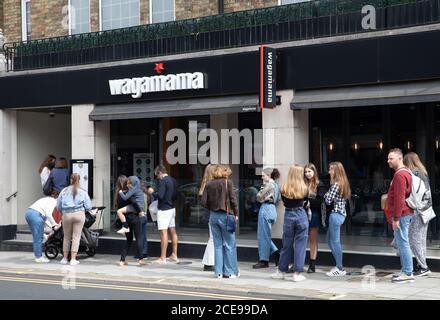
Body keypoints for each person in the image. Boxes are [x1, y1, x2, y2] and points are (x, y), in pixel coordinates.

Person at [271, 165, 309, 282]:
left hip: (288, 215)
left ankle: (281, 271)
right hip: (301, 215)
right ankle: (297, 274)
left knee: (286, 244)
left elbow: (284, 202)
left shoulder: (284, 187)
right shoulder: (304, 187)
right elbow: (305, 203)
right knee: (300, 246)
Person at [202, 164, 239, 278]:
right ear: (224, 172)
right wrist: (236, 214)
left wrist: (212, 209)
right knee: (229, 244)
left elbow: (204, 202)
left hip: (213, 216)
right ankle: (230, 272)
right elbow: (233, 200)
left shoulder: (209, 184)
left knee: (217, 245)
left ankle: (218, 272)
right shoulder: (228, 183)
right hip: (226, 216)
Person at [387, 148, 414, 283]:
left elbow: (399, 198)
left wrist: (396, 218)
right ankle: (405, 270)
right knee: (402, 242)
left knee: (403, 243)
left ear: (399, 158)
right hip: (404, 213)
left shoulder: (399, 175)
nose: (388, 161)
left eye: (391, 158)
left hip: (401, 214)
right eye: (388, 158)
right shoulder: (406, 172)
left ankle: (408, 272)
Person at [404, 152, 432, 277]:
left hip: (418, 211)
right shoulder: (423, 172)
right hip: (426, 210)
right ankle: (422, 265)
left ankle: (423, 266)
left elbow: (414, 194)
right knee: (421, 240)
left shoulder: (414, 173)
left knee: (414, 239)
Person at [57, 173, 92, 266]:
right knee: (76, 237)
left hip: (66, 215)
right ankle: (73, 259)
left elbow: (58, 206)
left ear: (70, 180)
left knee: (67, 237)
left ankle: (64, 258)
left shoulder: (64, 191)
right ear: (79, 180)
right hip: (79, 214)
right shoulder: (83, 191)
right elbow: (88, 206)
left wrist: (64, 212)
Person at [324, 161, 351, 277]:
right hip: (340, 214)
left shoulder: (336, 185)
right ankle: (338, 266)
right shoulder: (342, 183)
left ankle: (340, 267)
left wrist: (326, 194)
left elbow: (327, 200)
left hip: (336, 215)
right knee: (329, 240)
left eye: (331, 169)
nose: (329, 171)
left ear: (336, 171)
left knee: (334, 242)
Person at [148, 165, 179, 264]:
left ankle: (163, 257)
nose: (157, 177)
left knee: (163, 233)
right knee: (173, 231)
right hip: (172, 208)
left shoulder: (163, 181)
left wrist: (152, 192)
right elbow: (176, 195)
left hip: (164, 209)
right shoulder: (173, 180)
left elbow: (160, 196)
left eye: (156, 175)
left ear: (160, 172)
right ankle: (174, 255)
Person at [114, 175, 147, 266]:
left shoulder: (119, 194)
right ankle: (141, 259)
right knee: (139, 237)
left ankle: (122, 260)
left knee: (129, 239)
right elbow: (134, 202)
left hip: (125, 219)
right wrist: (140, 211)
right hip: (134, 217)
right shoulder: (129, 193)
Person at [253, 168, 281, 269]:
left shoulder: (269, 184)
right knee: (266, 235)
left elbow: (259, 197)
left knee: (263, 236)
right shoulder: (276, 185)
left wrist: (259, 192)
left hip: (266, 208)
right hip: (273, 209)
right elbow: (278, 199)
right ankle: (275, 254)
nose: (262, 177)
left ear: (269, 175)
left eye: (263, 175)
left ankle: (264, 260)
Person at [304, 163, 327, 273]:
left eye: (309, 171)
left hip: (314, 213)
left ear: (314, 172)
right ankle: (298, 263)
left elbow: (319, 201)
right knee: (301, 239)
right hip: (302, 213)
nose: (307, 174)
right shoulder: (302, 183)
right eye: (306, 172)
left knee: (313, 240)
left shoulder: (319, 184)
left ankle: (312, 264)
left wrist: (308, 202)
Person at [25, 193, 60, 263]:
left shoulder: (49, 200)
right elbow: (48, 214)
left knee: (37, 237)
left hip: (30, 213)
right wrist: (54, 225)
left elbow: (46, 218)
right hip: (36, 215)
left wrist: (53, 225)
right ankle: (38, 257)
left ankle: (39, 255)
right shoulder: (53, 202)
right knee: (38, 238)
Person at [199, 164, 217, 272]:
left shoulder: (206, 184)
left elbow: (203, 202)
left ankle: (208, 262)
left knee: (212, 239)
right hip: (212, 214)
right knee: (213, 239)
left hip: (209, 214)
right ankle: (209, 263)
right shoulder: (211, 185)